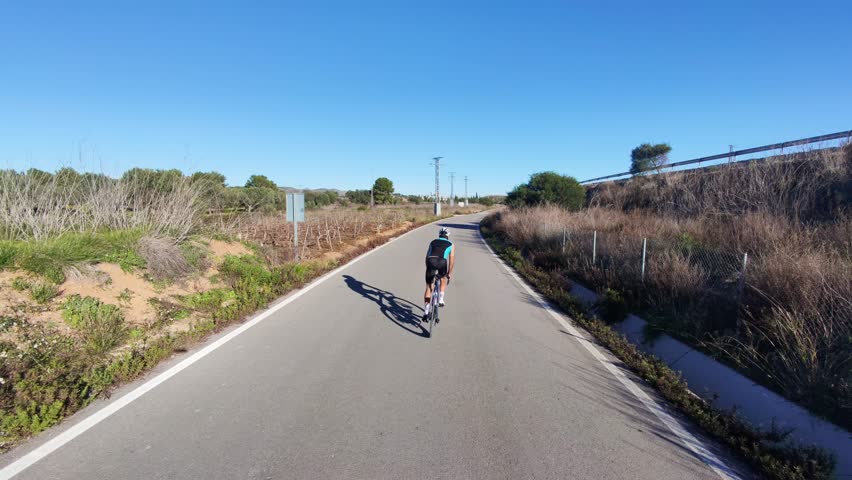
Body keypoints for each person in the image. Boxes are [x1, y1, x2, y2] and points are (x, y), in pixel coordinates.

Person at [423, 227, 455, 322]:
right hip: (442, 262)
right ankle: (441, 298)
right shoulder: (451, 244)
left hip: (430, 261)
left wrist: (428, 268)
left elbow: (427, 256)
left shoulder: (432, 242)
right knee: (443, 277)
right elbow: (451, 260)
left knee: (429, 287)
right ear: (448, 236)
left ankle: (426, 312)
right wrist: (449, 273)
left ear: (439, 235)